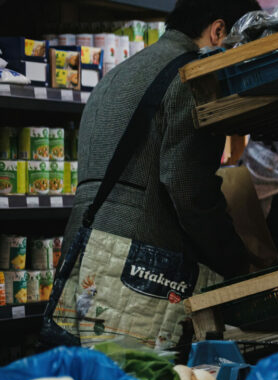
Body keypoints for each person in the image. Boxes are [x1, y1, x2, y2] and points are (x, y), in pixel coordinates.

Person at [54, 0, 260, 348]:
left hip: (83, 250)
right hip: (139, 270)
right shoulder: (193, 78)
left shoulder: (118, 73)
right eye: (244, 46)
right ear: (219, 31)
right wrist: (235, 259)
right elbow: (188, 189)